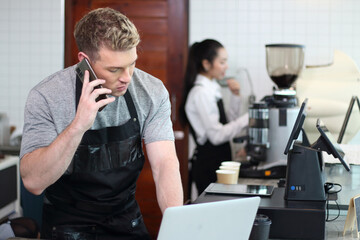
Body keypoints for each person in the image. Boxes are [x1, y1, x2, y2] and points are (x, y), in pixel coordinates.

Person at [19, 7, 183, 239]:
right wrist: (78, 125)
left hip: (125, 223)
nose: (127, 77)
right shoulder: (47, 96)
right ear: (85, 61)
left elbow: (165, 164)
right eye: (114, 69)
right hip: (66, 226)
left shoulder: (151, 91)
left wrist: (176, 224)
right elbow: (34, 182)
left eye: (132, 63)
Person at [180, 39, 248, 195]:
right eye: (222, 62)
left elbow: (226, 124)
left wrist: (235, 97)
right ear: (206, 64)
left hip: (218, 160)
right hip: (208, 164)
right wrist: (247, 119)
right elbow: (217, 136)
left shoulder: (212, 88)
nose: (227, 66)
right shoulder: (201, 93)